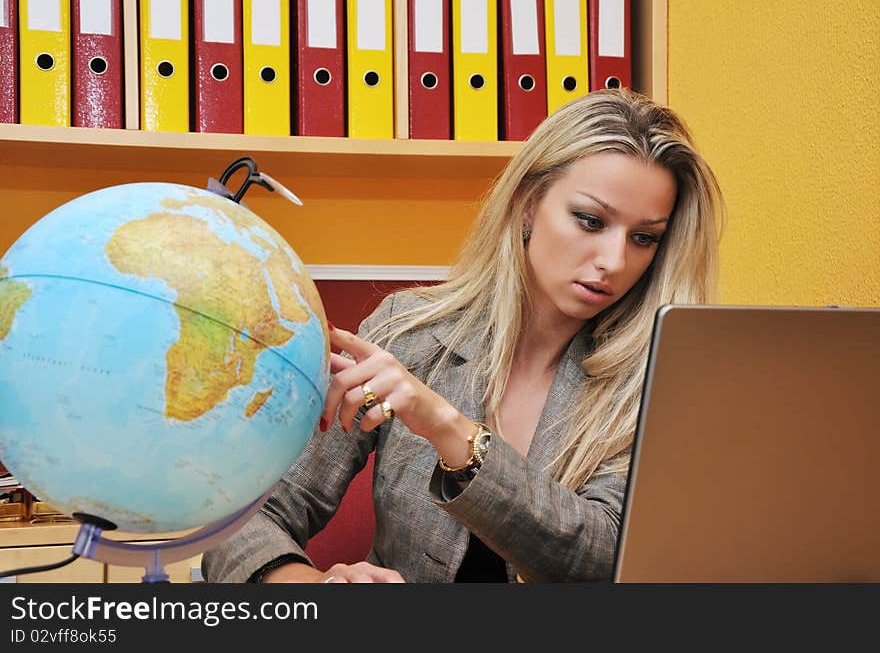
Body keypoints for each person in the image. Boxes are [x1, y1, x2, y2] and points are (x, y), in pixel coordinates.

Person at [202, 88, 724, 583]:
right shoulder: (409, 331)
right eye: (590, 221)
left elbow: (604, 560)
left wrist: (449, 430)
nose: (614, 261)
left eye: (644, 238)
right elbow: (249, 515)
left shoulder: (657, 379)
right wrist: (307, 584)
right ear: (526, 202)